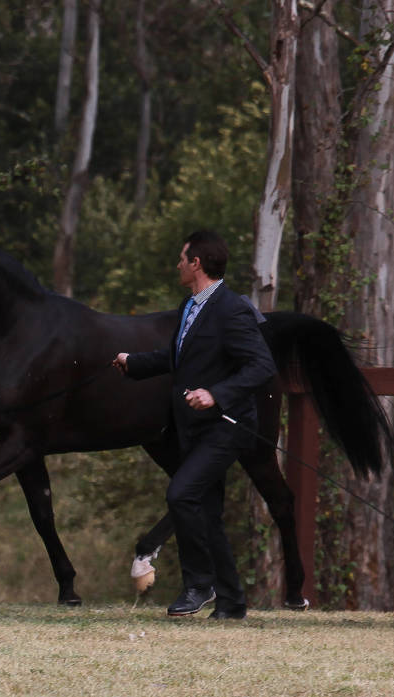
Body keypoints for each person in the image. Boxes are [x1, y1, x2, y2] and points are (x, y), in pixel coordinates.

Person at [113, 230, 276, 619]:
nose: (178, 265)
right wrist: (132, 363)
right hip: (194, 429)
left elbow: (262, 366)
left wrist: (216, 394)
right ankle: (232, 603)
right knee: (207, 512)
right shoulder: (190, 306)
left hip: (226, 426)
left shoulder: (232, 309)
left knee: (181, 494)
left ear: (196, 263)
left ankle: (199, 585)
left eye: (182, 259)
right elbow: (178, 358)